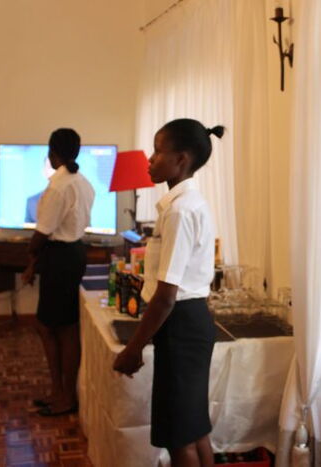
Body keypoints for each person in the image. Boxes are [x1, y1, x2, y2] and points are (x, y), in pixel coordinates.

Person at [113, 118, 223, 467]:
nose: (149, 159)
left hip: (180, 324)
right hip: (189, 322)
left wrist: (133, 348)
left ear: (182, 159)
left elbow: (165, 295)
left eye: (158, 152)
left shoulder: (179, 211)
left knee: (179, 437)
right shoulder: (185, 204)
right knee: (193, 428)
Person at [21, 128, 94, 417]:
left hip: (60, 258)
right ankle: (61, 392)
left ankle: (63, 396)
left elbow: (42, 234)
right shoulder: (83, 182)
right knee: (65, 326)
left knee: (53, 327)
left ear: (52, 152)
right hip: (73, 254)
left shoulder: (58, 186)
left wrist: (30, 261)